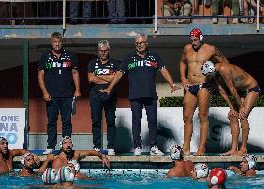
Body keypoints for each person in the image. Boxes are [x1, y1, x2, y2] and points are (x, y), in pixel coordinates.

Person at [101, 33, 179, 156]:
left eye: (141, 43)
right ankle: (137, 146)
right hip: (135, 95)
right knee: (136, 121)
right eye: (137, 43)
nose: (139, 45)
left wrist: (172, 84)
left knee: (152, 121)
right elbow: (120, 74)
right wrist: (110, 88)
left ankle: (153, 147)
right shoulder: (128, 57)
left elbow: (163, 70)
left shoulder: (154, 56)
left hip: (150, 95)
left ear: (146, 43)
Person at [180, 28, 230, 156]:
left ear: (201, 38)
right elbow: (182, 62)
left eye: (195, 40)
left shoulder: (211, 49)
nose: (193, 43)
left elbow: (225, 63)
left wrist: (215, 73)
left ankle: (201, 149)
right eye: (191, 40)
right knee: (187, 117)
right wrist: (183, 77)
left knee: (203, 116)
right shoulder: (187, 49)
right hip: (190, 86)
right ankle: (186, 148)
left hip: (204, 85)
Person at [201, 61, 261, 156]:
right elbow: (222, 91)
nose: (209, 78)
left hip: (252, 89)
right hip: (241, 92)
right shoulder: (215, 73)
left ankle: (244, 148)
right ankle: (234, 149)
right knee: (232, 116)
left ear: (211, 70)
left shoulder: (223, 69)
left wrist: (241, 107)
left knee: (243, 115)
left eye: (209, 75)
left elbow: (232, 89)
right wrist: (232, 108)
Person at [38, 32, 81, 154]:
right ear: (51, 42)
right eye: (55, 42)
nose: (57, 44)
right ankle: (51, 146)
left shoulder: (70, 56)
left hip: (67, 95)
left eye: (59, 42)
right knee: (51, 121)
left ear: (62, 42)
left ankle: (66, 146)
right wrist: (45, 92)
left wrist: (77, 90)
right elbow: (40, 75)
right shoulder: (45, 56)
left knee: (66, 121)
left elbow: (75, 73)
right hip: (51, 96)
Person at [88, 40, 120, 155]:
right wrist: (109, 77)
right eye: (101, 51)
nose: (103, 53)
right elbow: (91, 79)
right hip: (95, 94)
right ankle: (97, 146)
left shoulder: (115, 63)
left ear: (109, 51)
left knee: (110, 121)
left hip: (110, 93)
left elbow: (116, 79)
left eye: (105, 51)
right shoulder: (92, 63)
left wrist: (100, 77)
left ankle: (111, 146)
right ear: (98, 51)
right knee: (96, 121)